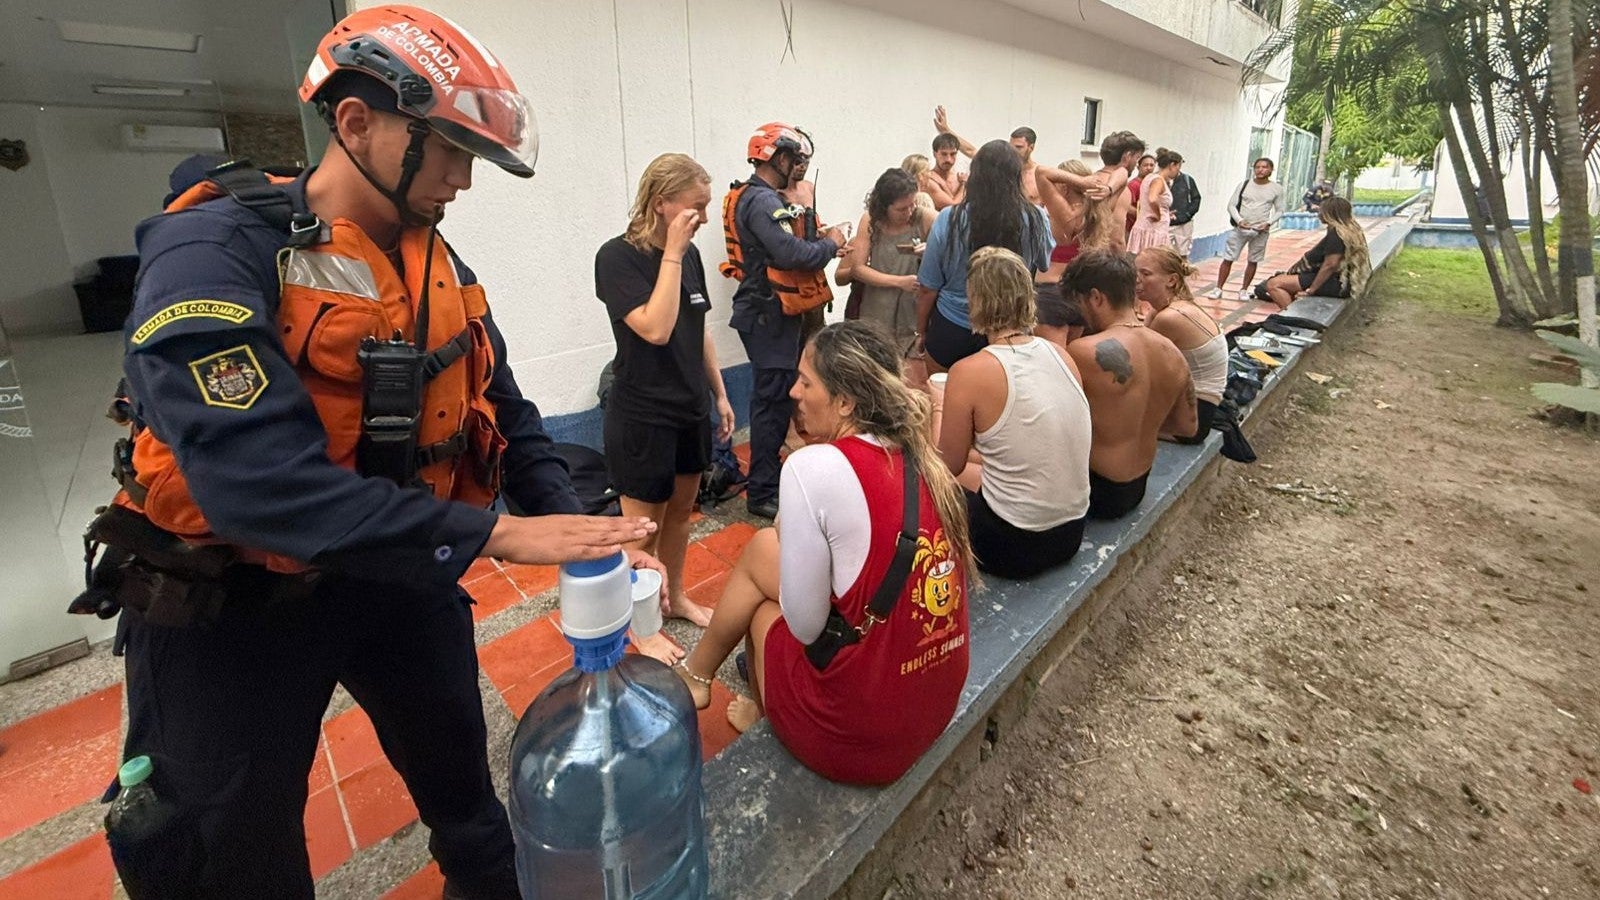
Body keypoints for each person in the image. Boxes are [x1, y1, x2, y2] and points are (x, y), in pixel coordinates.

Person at [105, 8, 660, 897]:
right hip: (233, 605)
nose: (462, 181)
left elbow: (506, 409)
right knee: (228, 861)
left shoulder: (434, 259)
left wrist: (577, 525)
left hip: (395, 577)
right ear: (357, 123)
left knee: (474, 818)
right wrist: (498, 539)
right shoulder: (209, 251)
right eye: (445, 149)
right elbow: (257, 486)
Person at [674, 321, 974, 785]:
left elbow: (806, 625)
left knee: (763, 607)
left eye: (807, 382)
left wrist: (794, 502)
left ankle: (732, 695)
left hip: (860, 741)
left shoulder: (813, 468)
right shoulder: (921, 455)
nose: (794, 391)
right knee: (762, 551)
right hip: (930, 709)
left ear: (845, 402)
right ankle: (707, 679)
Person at [596, 153, 735, 660]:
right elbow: (655, 327)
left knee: (680, 515)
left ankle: (672, 598)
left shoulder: (691, 256)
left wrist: (719, 393)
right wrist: (672, 252)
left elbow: (697, 332)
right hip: (642, 414)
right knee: (642, 531)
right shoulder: (617, 258)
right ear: (661, 205)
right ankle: (641, 623)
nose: (702, 218)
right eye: (694, 208)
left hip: (689, 408)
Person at [935, 248, 1091, 578]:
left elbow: (948, 464)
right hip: (1071, 532)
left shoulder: (970, 371)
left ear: (974, 300)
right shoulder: (1060, 355)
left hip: (1012, 545)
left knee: (929, 479)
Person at [720, 122, 846, 521]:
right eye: (794, 158)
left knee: (773, 402)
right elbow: (791, 253)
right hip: (767, 315)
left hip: (774, 314)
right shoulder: (760, 202)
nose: (798, 167)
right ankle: (761, 492)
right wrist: (832, 243)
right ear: (776, 157)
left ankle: (766, 482)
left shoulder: (763, 198)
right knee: (771, 405)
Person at [1062, 250, 1196, 520]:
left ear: (1096, 297)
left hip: (1095, 489)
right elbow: (1187, 427)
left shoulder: (1084, 351)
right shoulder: (1171, 352)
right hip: (1137, 486)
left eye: (1078, 302)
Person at [914, 140, 1053, 373]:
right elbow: (1043, 263)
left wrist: (922, 330)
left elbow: (928, 287)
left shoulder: (950, 218)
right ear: (1016, 175)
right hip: (1011, 328)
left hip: (953, 325)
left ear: (975, 175)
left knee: (943, 399)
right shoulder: (1036, 218)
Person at [836, 168, 936, 353]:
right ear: (884, 206)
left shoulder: (924, 217)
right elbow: (858, 269)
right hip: (877, 305)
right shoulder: (871, 220)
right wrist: (900, 282)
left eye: (912, 204)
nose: (909, 211)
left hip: (911, 310)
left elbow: (950, 249)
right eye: (901, 209)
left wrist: (931, 251)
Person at [1136, 247, 1226, 443]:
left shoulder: (1170, 318)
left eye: (1145, 274)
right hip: (1196, 406)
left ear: (1172, 280)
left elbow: (1140, 366)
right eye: (1135, 272)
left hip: (1193, 421)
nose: (1136, 279)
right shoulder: (1167, 307)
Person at [1260, 196, 1370, 307]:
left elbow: (1330, 264)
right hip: (1342, 281)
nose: (1319, 213)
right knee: (1280, 280)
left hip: (1336, 283)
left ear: (1329, 213)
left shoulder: (1337, 234)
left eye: (1321, 210)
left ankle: (1290, 317)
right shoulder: (1351, 230)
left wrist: (1311, 290)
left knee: (1273, 284)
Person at [1033, 158, 1126, 283]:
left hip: (1052, 287)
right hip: (1083, 287)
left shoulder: (1064, 213)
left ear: (1064, 187)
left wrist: (1081, 182)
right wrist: (1108, 189)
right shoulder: (1099, 209)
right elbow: (1123, 172)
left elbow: (1041, 172)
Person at [1206, 157, 1285, 300]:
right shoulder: (1244, 185)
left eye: (1264, 167)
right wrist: (1239, 220)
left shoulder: (1276, 189)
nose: (1260, 170)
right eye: (1258, 167)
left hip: (1261, 230)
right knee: (1228, 258)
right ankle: (1218, 288)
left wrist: (1268, 223)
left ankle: (1244, 289)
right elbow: (1231, 205)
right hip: (1241, 228)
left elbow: (1280, 210)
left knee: (1253, 260)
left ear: (1271, 170)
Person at [1095, 130, 1145, 254]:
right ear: (1127, 156)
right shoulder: (1121, 190)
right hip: (1102, 260)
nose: (1136, 164)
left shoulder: (1090, 180)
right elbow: (1116, 240)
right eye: (1137, 158)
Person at [1126, 148, 1181, 255]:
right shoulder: (1158, 180)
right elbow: (1152, 198)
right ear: (1172, 165)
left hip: (1149, 228)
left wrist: (1165, 212)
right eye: (1178, 167)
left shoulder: (1150, 178)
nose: (1178, 171)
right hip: (1154, 230)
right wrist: (1158, 214)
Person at [1168, 155, 1202, 259]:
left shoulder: (1187, 180)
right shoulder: (1160, 180)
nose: (1177, 167)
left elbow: (1196, 199)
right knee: (1164, 254)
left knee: (1182, 255)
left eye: (1179, 164)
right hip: (1165, 224)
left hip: (1184, 224)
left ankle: (1182, 274)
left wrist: (1187, 214)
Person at [924, 132, 968, 210]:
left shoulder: (960, 177)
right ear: (934, 154)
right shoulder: (928, 180)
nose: (948, 159)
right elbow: (952, 208)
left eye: (953, 154)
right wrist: (964, 184)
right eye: (944, 154)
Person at [1126, 153, 1156, 234]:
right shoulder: (1133, 185)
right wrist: (1144, 215)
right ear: (1138, 167)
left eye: (1151, 165)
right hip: (1132, 229)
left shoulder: (1152, 184)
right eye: (1145, 165)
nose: (1149, 168)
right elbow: (1127, 206)